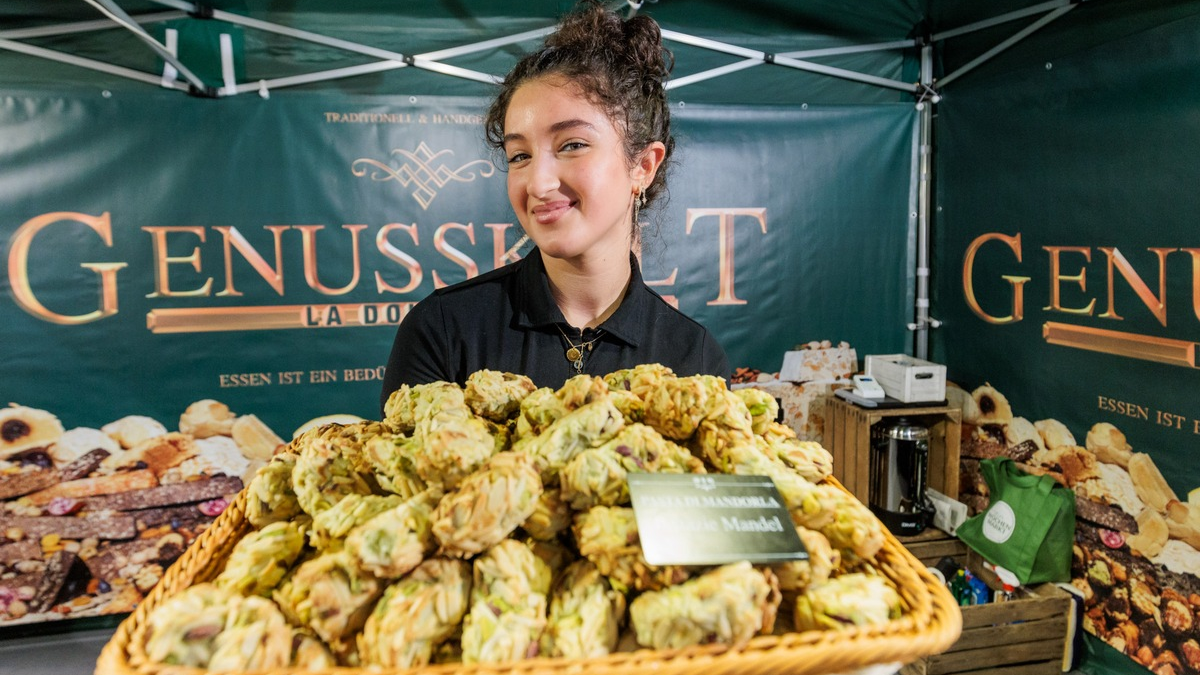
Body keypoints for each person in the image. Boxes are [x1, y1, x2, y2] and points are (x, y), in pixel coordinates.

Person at [380, 1, 729, 409]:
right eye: (519, 156)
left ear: (643, 166)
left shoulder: (693, 358)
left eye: (572, 145)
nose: (539, 183)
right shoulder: (444, 328)